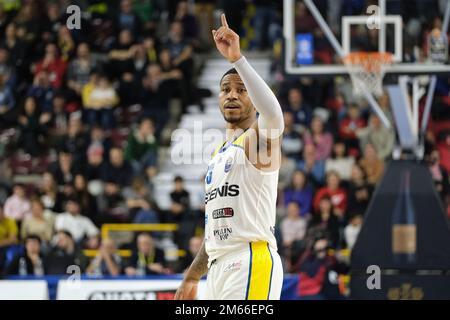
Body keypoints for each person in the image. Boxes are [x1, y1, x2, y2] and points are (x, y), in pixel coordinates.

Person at [175, 14, 284, 300]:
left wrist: (238, 60)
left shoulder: (255, 143)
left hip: (250, 258)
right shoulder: (217, 156)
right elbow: (213, 230)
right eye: (226, 90)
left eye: (241, 90)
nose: (232, 95)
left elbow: (273, 114)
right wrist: (192, 276)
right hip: (217, 267)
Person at [0, 204, 18, 272]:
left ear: (3, 212)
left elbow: (13, 239)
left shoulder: (10, 221)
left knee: (11, 254)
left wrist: (1, 243)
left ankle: (7, 274)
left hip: (8, 247)